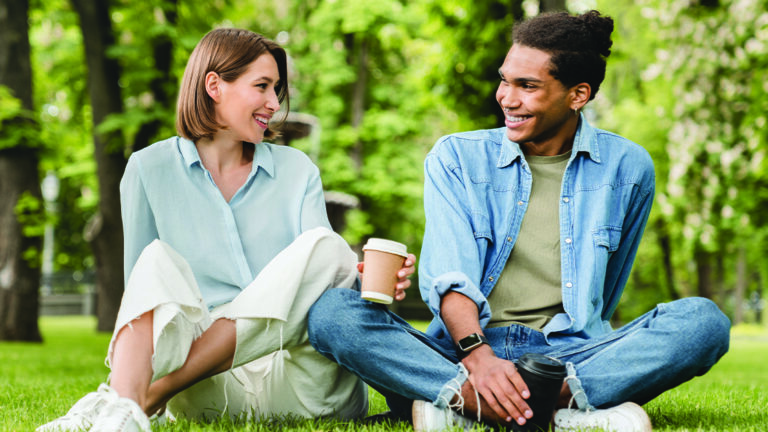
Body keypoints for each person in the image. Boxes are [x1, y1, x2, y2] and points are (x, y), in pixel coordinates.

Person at [308, 10, 730, 432]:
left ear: (578, 94)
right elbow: (451, 276)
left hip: (570, 358)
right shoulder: (456, 157)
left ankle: (478, 408)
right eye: (505, 80)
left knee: (702, 323)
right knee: (333, 314)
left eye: (527, 86)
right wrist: (478, 357)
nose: (506, 98)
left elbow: (608, 286)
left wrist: (567, 370)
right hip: (461, 351)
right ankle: (543, 411)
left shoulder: (628, 166)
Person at [37, 28, 415, 432]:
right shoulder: (148, 170)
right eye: (262, 86)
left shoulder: (297, 170)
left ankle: (138, 398)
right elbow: (141, 299)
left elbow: (323, 286)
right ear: (214, 85)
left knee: (327, 248)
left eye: (277, 89)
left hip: (300, 383)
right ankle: (125, 410)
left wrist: (367, 286)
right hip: (208, 392)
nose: (274, 102)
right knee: (154, 261)